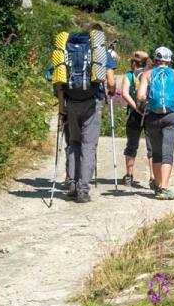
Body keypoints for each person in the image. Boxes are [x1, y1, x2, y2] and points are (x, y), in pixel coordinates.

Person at [56, 23, 113, 204]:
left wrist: (61, 109)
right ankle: (83, 189)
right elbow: (110, 80)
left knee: (74, 142)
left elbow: (58, 82)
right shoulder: (98, 50)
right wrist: (111, 90)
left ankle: (72, 183)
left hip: (71, 101)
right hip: (91, 101)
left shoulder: (66, 47)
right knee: (88, 145)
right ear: (97, 37)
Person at [133, 46, 174, 200]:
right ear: (169, 60)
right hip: (171, 117)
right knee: (167, 153)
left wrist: (152, 99)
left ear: (155, 59)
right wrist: (173, 98)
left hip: (153, 117)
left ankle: (158, 185)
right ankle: (164, 188)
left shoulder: (147, 74)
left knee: (156, 153)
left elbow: (140, 96)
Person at [117, 50, 150, 188]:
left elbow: (124, 93)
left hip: (135, 114)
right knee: (152, 146)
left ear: (134, 63)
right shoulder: (150, 75)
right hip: (150, 113)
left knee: (132, 144)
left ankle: (129, 176)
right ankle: (153, 178)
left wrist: (135, 107)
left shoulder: (129, 75)